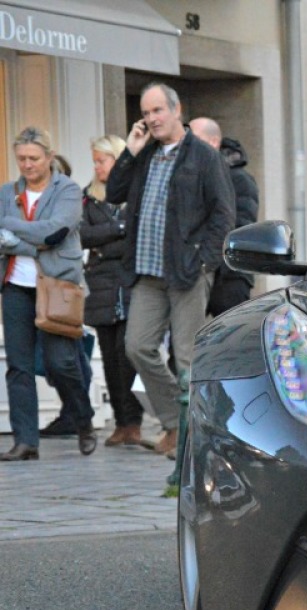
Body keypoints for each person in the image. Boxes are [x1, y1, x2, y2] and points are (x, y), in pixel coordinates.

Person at [105, 82, 235, 458]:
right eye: (146, 113)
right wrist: (129, 151)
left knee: (186, 357)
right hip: (146, 272)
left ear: (176, 111)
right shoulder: (144, 155)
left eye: (157, 110)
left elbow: (224, 214)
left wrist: (205, 261)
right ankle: (176, 423)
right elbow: (113, 193)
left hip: (186, 272)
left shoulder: (203, 157)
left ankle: (194, 436)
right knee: (137, 347)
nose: (151, 118)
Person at [0, 126, 96, 460]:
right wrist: (31, 238)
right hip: (15, 286)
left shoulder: (67, 190)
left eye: (33, 158)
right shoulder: (6, 192)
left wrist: (12, 232)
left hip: (57, 286)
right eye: (22, 158)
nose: (27, 165)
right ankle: (26, 441)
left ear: (49, 157)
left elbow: (55, 232)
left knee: (62, 363)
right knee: (18, 365)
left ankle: (82, 420)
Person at [81, 135, 143, 447]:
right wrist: (116, 232)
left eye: (101, 160)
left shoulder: (136, 192)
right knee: (108, 358)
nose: (97, 167)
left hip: (130, 284)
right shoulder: (88, 197)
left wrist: (107, 241)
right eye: (94, 161)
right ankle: (121, 422)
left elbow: (136, 236)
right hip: (101, 287)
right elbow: (83, 235)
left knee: (127, 353)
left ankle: (134, 421)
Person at [38, 154, 95, 439]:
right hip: (40, 283)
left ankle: (78, 413)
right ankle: (72, 412)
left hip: (65, 285)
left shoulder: (70, 199)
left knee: (68, 355)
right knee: (58, 358)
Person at [190, 116, 259, 316]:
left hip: (229, 277)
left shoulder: (240, 179)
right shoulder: (189, 175)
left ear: (213, 142)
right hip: (195, 273)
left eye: (194, 138)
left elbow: (241, 227)